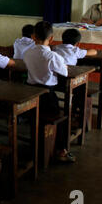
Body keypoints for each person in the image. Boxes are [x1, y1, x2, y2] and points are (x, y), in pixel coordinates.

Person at [23, 21, 75, 163]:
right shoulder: (52, 56)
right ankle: (61, 150)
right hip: (47, 95)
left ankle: (36, 145)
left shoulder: (27, 53)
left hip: (31, 92)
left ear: (33, 36)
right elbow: (64, 71)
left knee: (36, 119)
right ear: (51, 38)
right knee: (61, 119)